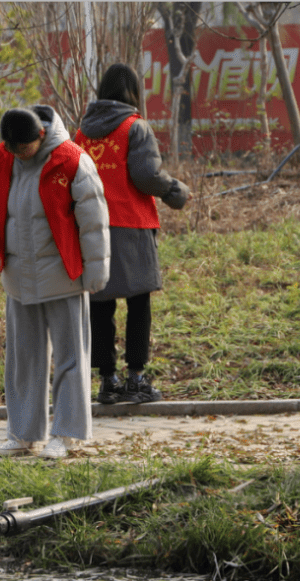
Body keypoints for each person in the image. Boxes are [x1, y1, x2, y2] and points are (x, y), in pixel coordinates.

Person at [0, 106, 110, 459]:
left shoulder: (71, 160)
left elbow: (94, 220)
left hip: (64, 274)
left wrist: (97, 270)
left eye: (24, 148)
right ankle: (23, 434)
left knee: (71, 358)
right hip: (18, 277)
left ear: (41, 135)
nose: (18, 155)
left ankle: (67, 434)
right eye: (12, 148)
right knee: (22, 360)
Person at [74, 63, 191, 404]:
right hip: (132, 224)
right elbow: (146, 174)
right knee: (139, 303)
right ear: (134, 92)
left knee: (100, 305)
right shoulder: (134, 127)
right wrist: (175, 191)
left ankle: (107, 380)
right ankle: (136, 378)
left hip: (94, 227)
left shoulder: (83, 134)